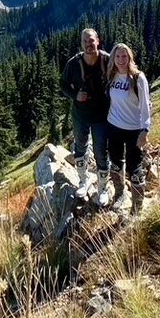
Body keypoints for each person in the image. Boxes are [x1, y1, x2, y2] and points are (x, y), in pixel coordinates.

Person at [60, 28, 111, 202]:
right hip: (80, 115)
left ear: (98, 41)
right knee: (80, 147)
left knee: (100, 151)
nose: (89, 45)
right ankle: (84, 180)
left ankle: (103, 188)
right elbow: (63, 84)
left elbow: (124, 75)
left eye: (91, 41)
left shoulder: (107, 60)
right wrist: (75, 96)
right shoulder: (73, 64)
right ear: (81, 44)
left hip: (101, 116)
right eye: (85, 42)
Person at [106, 42, 151, 213]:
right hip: (114, 126)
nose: (121, 59)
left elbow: (146, 106)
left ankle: (137, 208)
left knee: (135, 168)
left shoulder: (138, 78)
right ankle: (119, 194)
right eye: (117, 56)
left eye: (124, 56)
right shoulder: (112, 75)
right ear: (113, 58)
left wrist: (145, 130)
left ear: (130, 57)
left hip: (134, 129)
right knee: (116, 163)